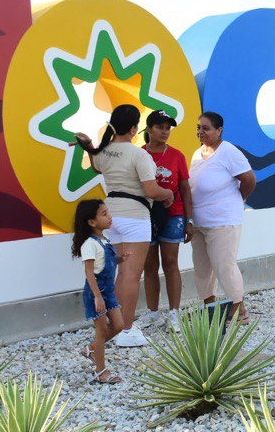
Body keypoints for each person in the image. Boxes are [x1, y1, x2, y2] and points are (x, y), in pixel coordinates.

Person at [71, 105, 173, 347]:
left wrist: (88, 144)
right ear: (134, 128)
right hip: (135, 217)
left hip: (110, 216)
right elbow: (151, 190)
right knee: (130, 275)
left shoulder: (104, 152)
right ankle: (125, 329)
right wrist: (167, 193)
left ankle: (117, 325)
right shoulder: (139, 155)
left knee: (117, 273)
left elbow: (97, 165)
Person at [189, 111, 256, 324]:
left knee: (224, 266)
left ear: (219, 130)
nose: (201, 132)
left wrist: (240, 198)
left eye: (206, 128)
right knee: (202, 268)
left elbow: (248, 179)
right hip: (200, 222)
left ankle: (239, 310)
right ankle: (210, 308)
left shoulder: (229, 152)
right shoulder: (197, 154)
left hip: (223, 220)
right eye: (198, 127)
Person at [138, 110, 193, 334]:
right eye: (160, 127)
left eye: (168, 127)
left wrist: (189, 220)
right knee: (149, 265)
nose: (165, 131)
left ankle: (174, 314)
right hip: (145, 215)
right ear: (148, 129)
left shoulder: (177, 156)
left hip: (174, 214)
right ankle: (152, 314)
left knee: (170, 262)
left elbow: (185, 189)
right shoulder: (138, 154)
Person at [72, 199, 125, 383]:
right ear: (91, 222)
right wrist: (97, 296)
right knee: (101, 330)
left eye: (108, 212)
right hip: (96, 294)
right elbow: (89, 273)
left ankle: (92, 348)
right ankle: (101, 372)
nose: (109, 217)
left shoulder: (104, 240)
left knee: (118, 325)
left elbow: (105, 262)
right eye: (104, 214)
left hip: (108, 292)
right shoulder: (89, 244)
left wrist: (119, 259)